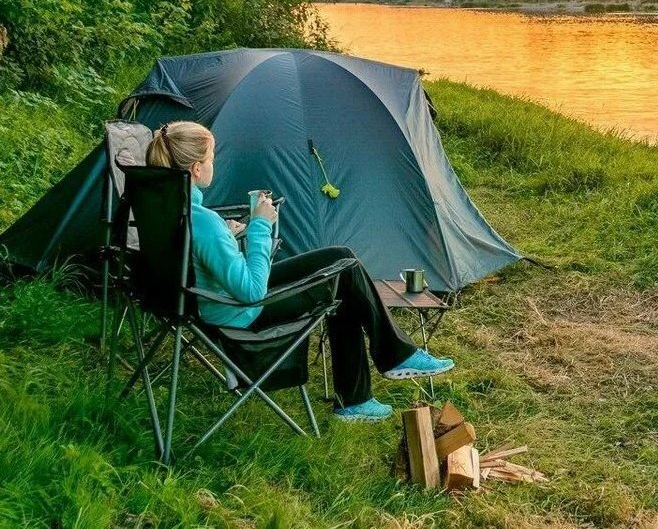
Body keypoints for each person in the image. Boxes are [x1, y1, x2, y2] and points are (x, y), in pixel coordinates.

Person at [144, 120, 453, 422]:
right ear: (196, 169)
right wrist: (260, 225)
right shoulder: (206, 223)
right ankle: (382, 369)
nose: (214, 164)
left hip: (206, 301)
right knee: (343, 278)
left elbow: (200, 254)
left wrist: (229, 234)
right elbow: (251, 291)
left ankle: (371, 383)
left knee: (341, 259)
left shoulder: (169, 209)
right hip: (240, 310)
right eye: (212, 158)